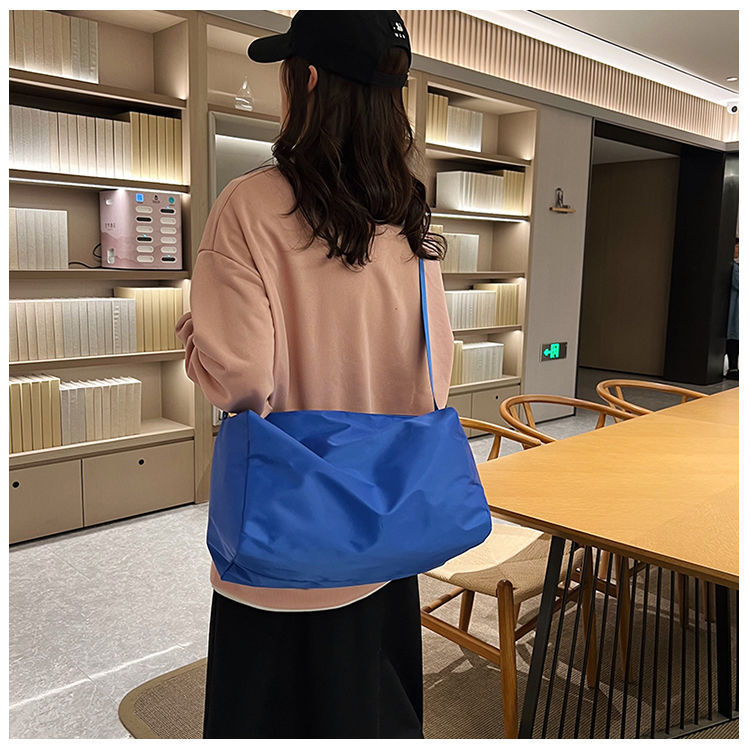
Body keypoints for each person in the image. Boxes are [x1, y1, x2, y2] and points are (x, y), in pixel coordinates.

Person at [174, 11, 453, 739]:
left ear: (309, 80)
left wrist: (196, 340)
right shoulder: (408, 215)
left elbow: (243, 380)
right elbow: (437, 381)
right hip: (386, 532)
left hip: (286, 542)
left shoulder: (250, 205)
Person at [726, 237, 739, 379]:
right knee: (733, 338)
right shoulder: (733, 267)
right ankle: (733, 368)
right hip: (732, 309)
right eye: (737, 246)